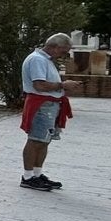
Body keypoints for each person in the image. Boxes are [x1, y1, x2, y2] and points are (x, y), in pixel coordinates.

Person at [19, 32, 79, 191]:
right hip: (42, 104)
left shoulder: (46, 60)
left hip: (50, 104)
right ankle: (28, 176)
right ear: (54, 47)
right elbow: (39, 85)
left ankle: (37, 174)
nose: (64, 55)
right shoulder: (38, 60)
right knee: (35, 140)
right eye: (63, 51)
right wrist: (63, 85)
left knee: (44, 140)